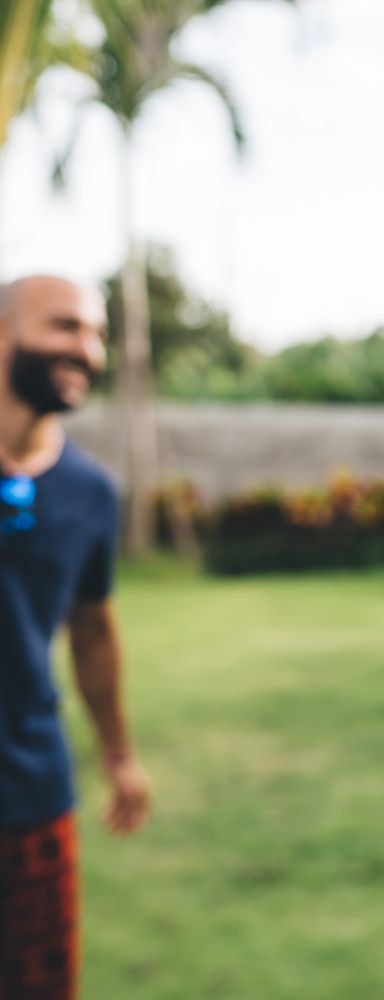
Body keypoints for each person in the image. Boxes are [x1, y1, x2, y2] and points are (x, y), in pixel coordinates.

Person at [0, 277, 151, 999]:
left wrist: (118, 754)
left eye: (94, 334)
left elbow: (91, 630)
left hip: (32, 791)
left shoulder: (88, 491)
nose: (85, 350)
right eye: (64, 327)